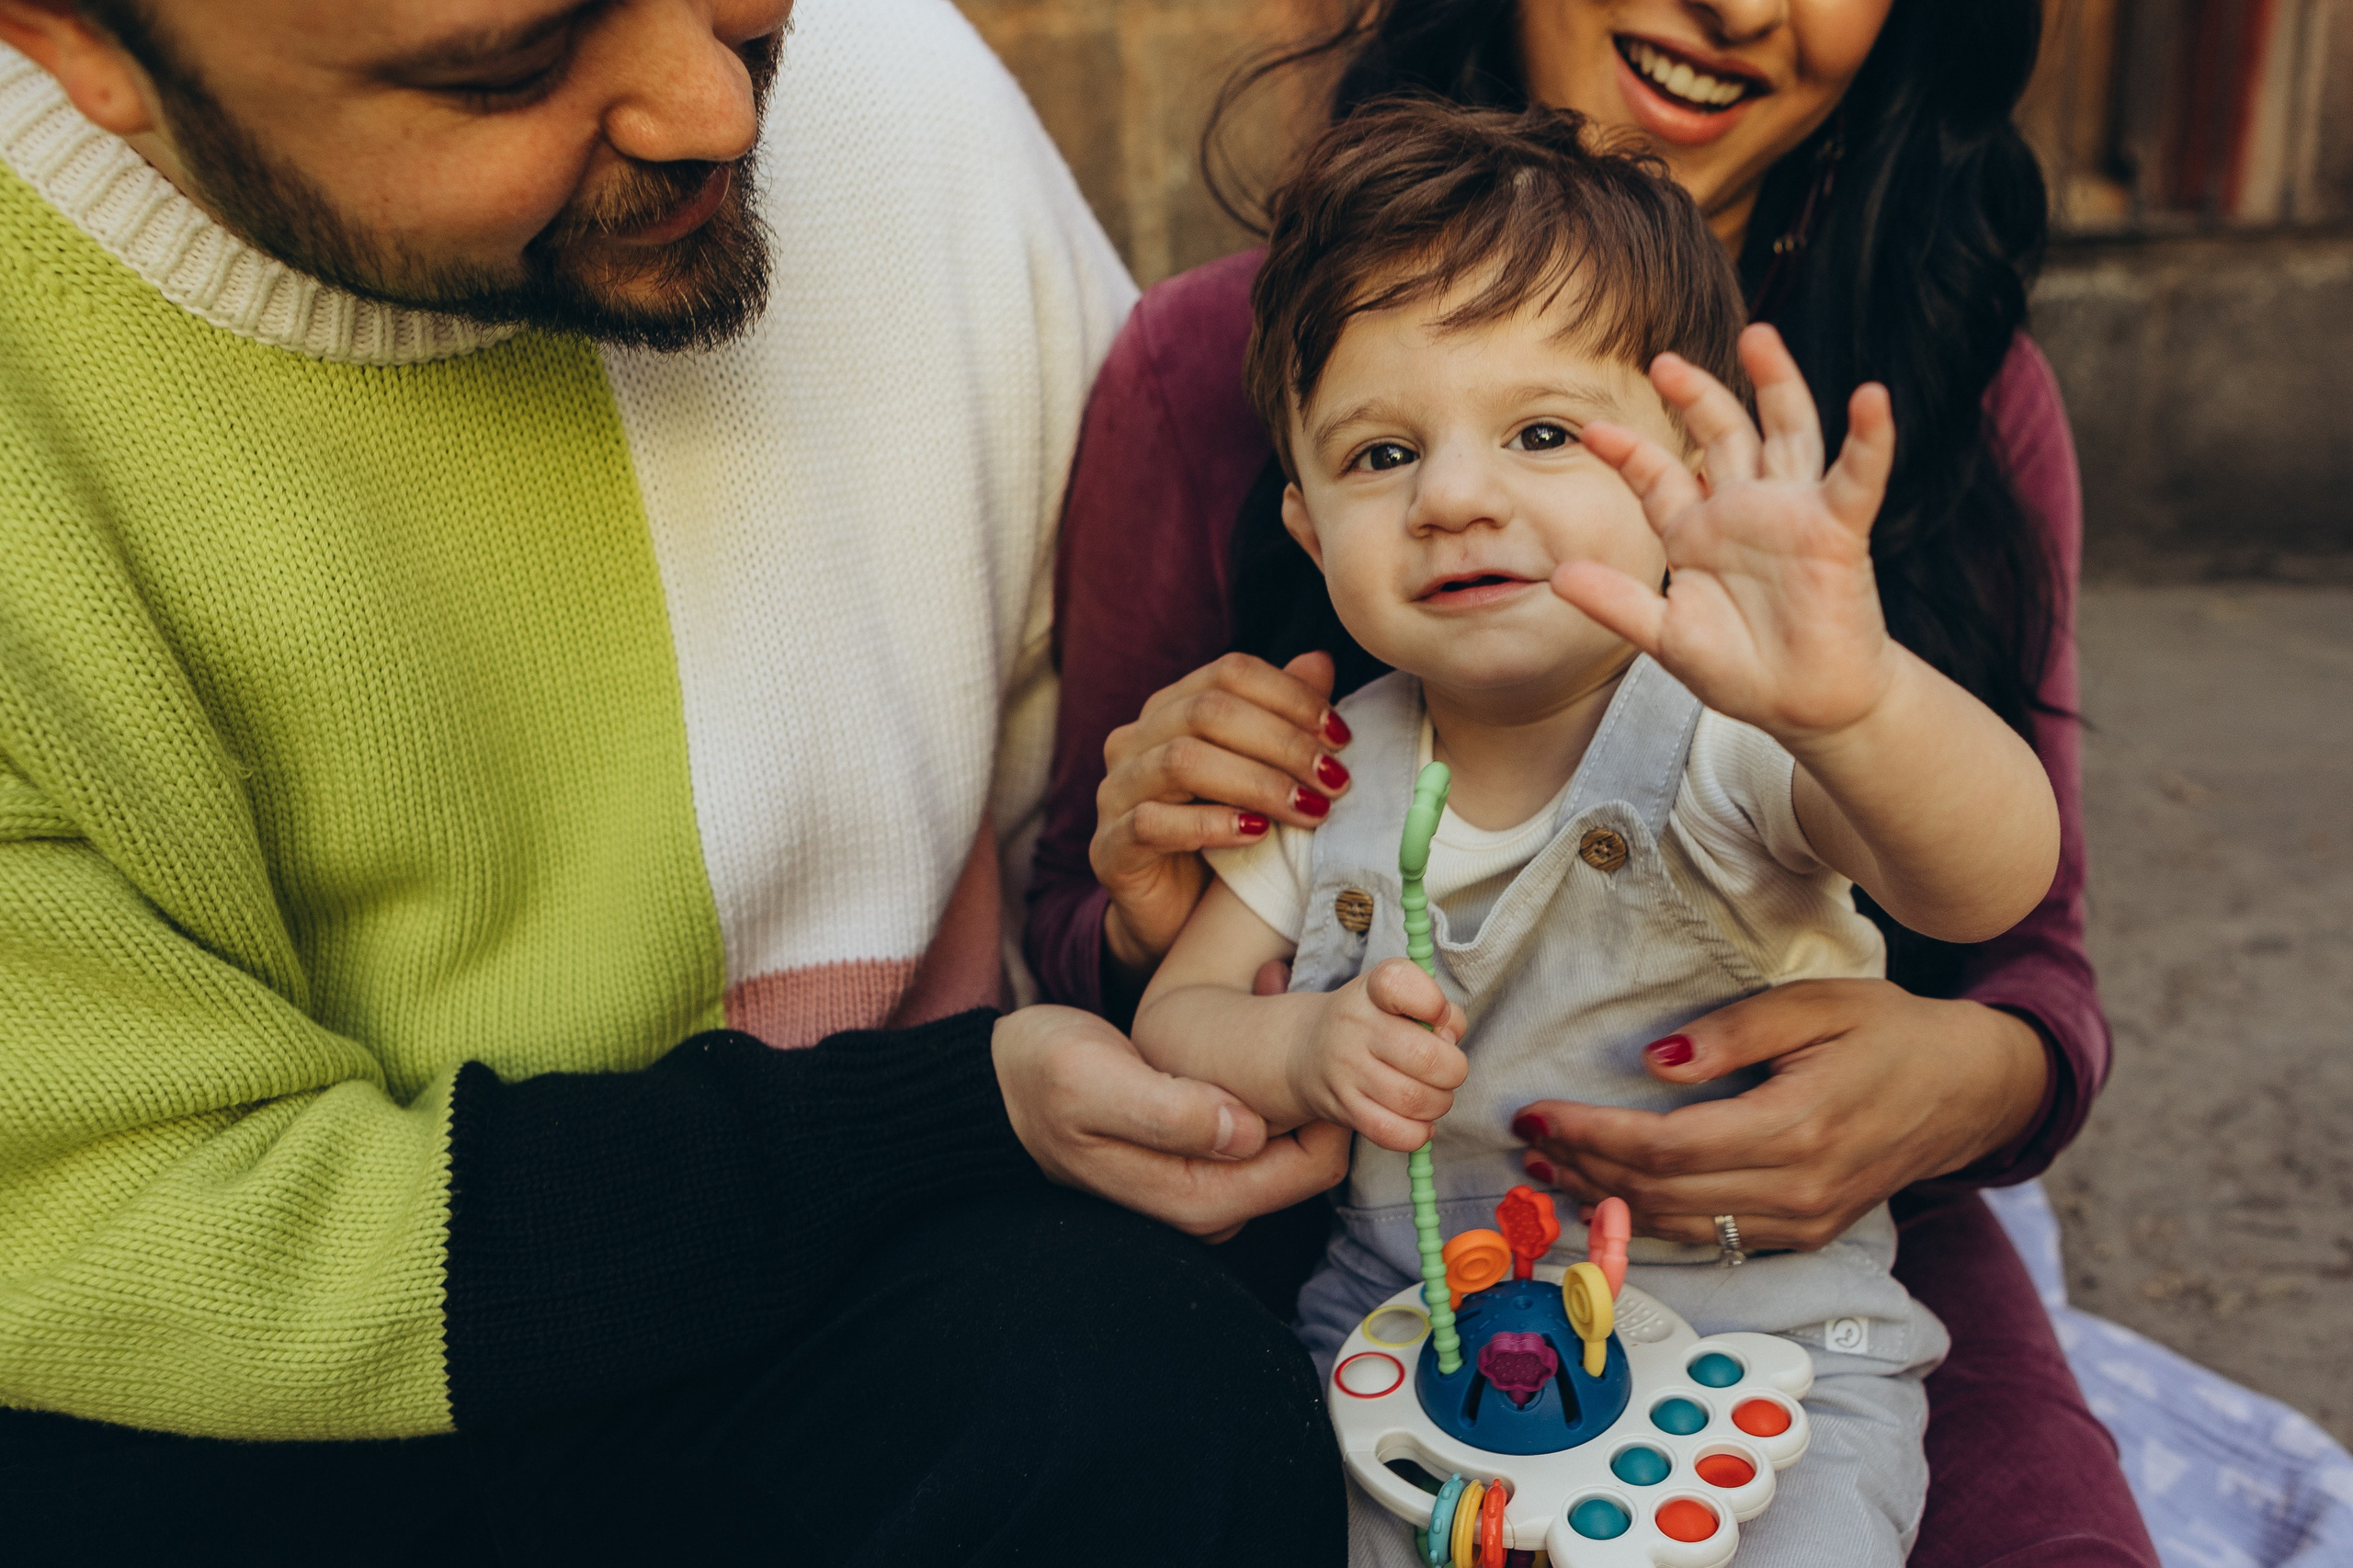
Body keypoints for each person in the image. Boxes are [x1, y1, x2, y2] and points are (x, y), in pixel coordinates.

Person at [0, 0, 1352, 1560]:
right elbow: (132, 1237)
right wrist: (933, 1113)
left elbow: (1109, 861)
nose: (714, 106)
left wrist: (1148, 934)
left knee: (1149, 1388)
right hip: (278, 1392)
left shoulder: (901, 88)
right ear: (72, 42)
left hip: (924, 1266)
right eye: (508, 65)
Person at [1029, 3, 2161, 1564]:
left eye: (1544, 430)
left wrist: (1863, 699)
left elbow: (1993, 883)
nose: (1460, 496)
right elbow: (1179, 1015)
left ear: (1680, 477)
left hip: (1763, 1335)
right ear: (1301, 526)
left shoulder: (1733, 731)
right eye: (1380, 458)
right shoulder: (1325, 757)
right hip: (1409, 1342)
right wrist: (1303, 1043)